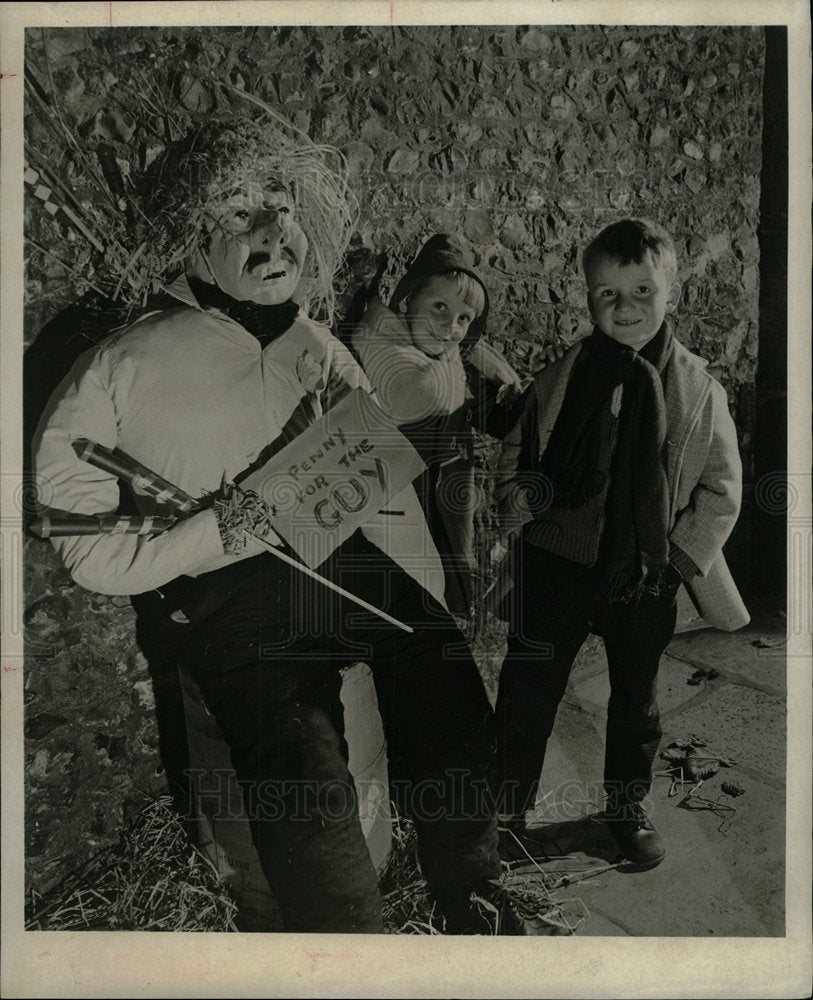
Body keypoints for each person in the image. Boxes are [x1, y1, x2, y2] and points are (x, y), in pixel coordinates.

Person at [33, 114, 553, 935]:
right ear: (190, 236)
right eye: (239, 212)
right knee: (303, 773)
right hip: (229, 597)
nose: (272, 232)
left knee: (448, 682)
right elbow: (84, 547)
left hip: (338, 562)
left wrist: (428, 606)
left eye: (279, 206)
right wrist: (209, 536)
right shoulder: (120, 361)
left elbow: (381, 487)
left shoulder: (322, 347)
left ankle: (473, 899)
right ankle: (354, 957)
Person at [495, 218, 750, 867]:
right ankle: (502, 812)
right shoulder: (562, 377)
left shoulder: (696, 391)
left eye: (641, 290)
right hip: (554, 563)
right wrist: (519, 500)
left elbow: (720, 488)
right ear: (586, 297)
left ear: (669, 294)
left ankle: (624, 808)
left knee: (634, 702)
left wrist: (676, 562)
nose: (625, 308)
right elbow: (516, 451)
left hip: (641, 573)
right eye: (607, 293)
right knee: (527, 689)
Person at [347, 234, 528, 615]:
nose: (450, 326)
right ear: (408, 299)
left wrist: (512, 394)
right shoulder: (375, 349)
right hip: (397, 503)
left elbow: (499, 420)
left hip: (444, 504)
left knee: (441, 596)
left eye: (464, 319)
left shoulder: (455, 360)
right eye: (439, 307)